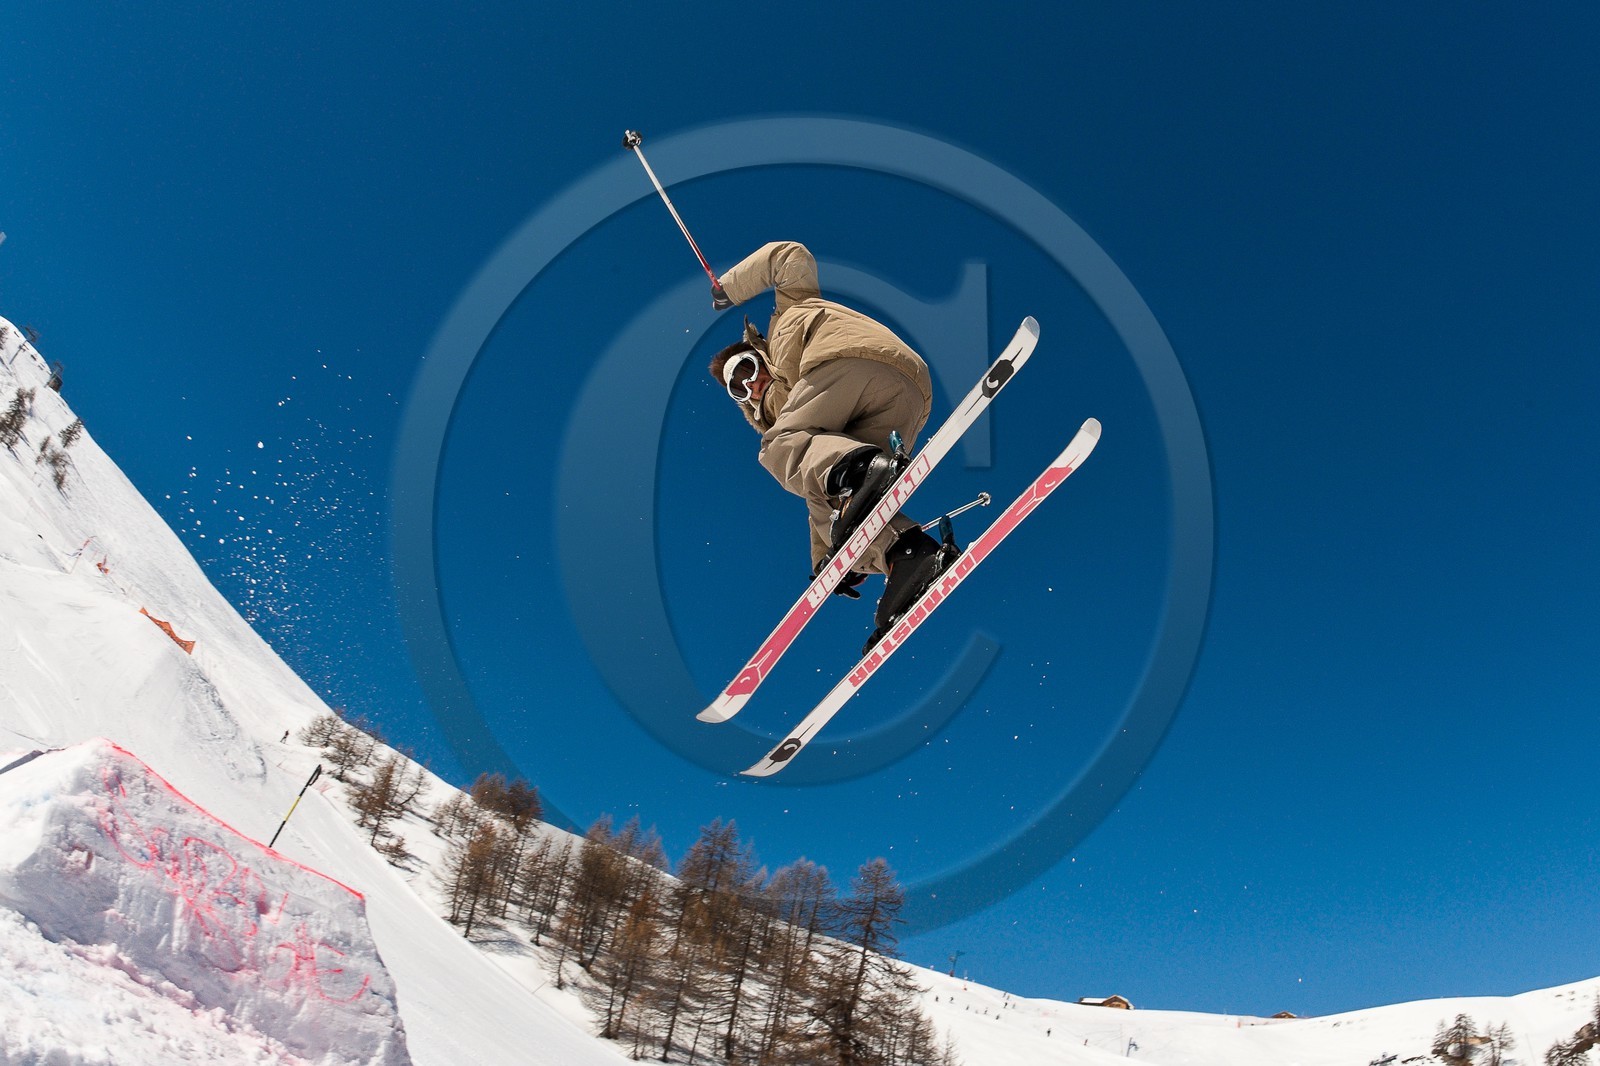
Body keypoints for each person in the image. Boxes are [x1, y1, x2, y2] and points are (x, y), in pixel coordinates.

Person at [707, 241, 951, 645]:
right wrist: (830, 559)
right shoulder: (800, 424)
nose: (750, 384)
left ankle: (859, 473)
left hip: (849, 360)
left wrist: (730, 287)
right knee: (835, 501)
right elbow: (816, 493)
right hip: (906, 402)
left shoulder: (790, 313)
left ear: (759, 354)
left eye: (747, 368)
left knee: (778, 448)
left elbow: (790, 257)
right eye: (737, 388)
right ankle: (909, 557)